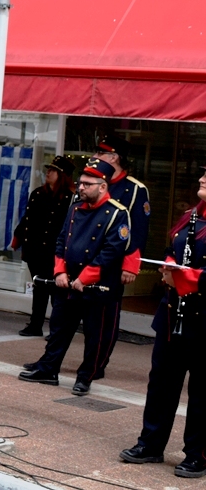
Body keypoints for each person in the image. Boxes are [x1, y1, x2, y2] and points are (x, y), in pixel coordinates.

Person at [119, 169, 206, 478]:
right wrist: (170, 265)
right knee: (162, 384)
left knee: (202, 392)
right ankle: (151, 443)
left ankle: (197, 454)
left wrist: (183, 277)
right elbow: (172, 250)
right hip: (173, 315)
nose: (203, 178)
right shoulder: (190, 216)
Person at [19, 158, 131, 396]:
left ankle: (85, 377)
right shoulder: (74, 208)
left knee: (95, 336)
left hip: (98, 287)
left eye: (88, 184)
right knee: (59, 328)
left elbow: (111, 252)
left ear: (103, 187)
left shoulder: (117, 213)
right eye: (81, 183)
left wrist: (84, 278)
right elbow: (61, 242)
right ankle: (49, 369)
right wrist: (59, 271)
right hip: (68, 283)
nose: (81, 188)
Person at [13, 155, 76, 336]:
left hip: (55, 253)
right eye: (49, 169)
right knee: (39, 289)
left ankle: (57, 329)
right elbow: (28, 218)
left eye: (53, 171)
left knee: (57, 293)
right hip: (36, 250)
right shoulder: (38, 194)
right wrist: (18, 236)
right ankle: (35, 325)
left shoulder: (70, 200)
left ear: (62, 175)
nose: (48, 173)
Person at [93, 135, 150, 286]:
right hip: (87, 256)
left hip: (113, 261)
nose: (94, 157)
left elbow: (139, 229)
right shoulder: (92, 183)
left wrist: (131, 264)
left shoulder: (135, 189)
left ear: (114, 158)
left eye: (99, 153)